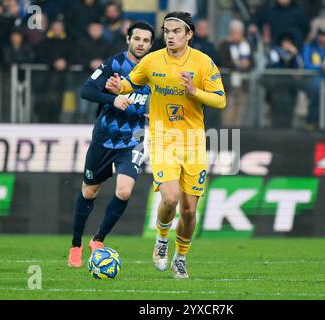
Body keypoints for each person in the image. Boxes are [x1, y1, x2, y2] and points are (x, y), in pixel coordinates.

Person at [106, 11, 226, 279]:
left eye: (176, 32)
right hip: (163, 139)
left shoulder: (203, 63)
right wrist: (118, 86)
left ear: (189, 35)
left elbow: (220, 100)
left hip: (193, 143)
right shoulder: (151, 61)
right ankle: (161, 240)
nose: (170, 36)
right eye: (167, 31)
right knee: (170, 198)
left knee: (189, 209)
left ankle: (180, 257)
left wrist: (195, 92)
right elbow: (131, 82)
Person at [68, 21, 155, 268]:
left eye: (146, 40)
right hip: (104, 138)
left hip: (134, 138)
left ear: (150, 44)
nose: (141, 44)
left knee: (124, 191)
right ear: (128, 39)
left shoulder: (155, 69)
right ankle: (76, 245)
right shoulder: (114, 64)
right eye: (137, 38)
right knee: (89, 191)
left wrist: (154, 113)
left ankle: (98, 240)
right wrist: (113, 99)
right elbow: (86, 90)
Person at [218, 19, 252, 128]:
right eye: (235, 32)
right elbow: (222, 61)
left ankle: (238, 139)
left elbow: (252, 63)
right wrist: (236, 64)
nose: (237, 35)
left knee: (240, 112)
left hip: (243, 84)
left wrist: (247, 64)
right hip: (229, 84)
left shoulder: (246, 45)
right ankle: (227, 138)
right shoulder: (225, 44)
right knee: (228, 112)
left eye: (239, 32)